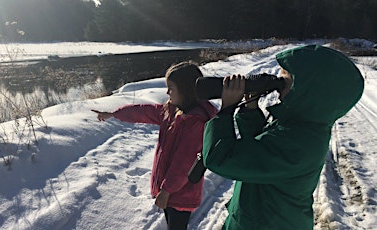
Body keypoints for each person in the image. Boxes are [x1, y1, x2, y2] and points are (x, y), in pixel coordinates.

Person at [201, 45, 364, 229]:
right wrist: (250, 109)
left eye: (284, 81)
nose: (278, 86)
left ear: (307, 90)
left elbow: (219, 157)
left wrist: (225, 112)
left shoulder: (300, 142)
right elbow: (260, 150)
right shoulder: (300, 125)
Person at [92, 61, 218, 229]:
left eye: (171, 88)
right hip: (171, 189)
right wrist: (114, 114)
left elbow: (183, 164)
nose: (167, 92)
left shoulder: (195, 123)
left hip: (181, 192)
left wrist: (166, 191)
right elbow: (142, 111)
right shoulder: (170, 111)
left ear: (186, 90)